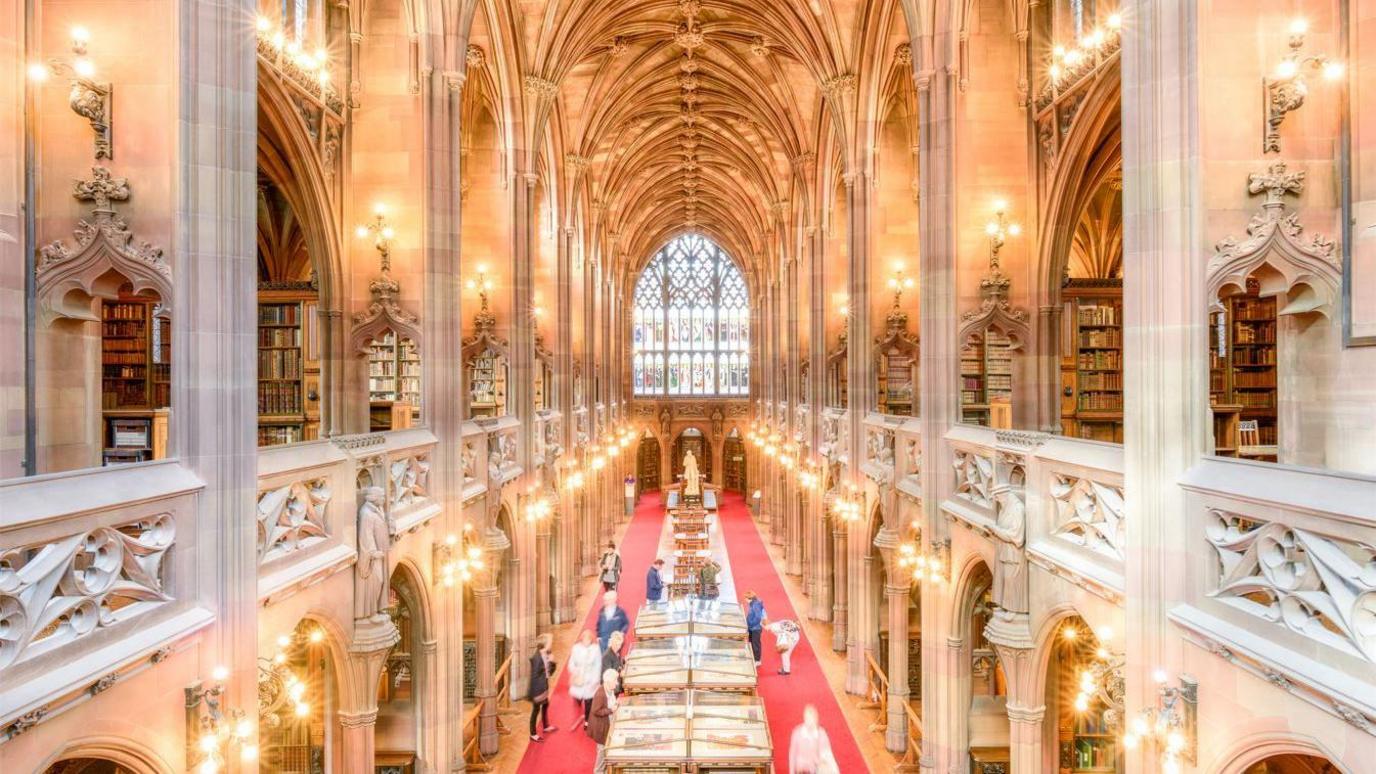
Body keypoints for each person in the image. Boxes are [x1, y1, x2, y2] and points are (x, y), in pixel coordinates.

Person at [587, 668, 620, 774]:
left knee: (605, 752)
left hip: (607, 725)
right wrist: (611, 710)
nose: (617, 682)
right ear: (608, 681)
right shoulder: (600, 694)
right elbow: (595, 711)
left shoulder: (609, 689)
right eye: (615, 680)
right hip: (601, 730)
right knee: (601, 754)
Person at [788, 704, 837, 774]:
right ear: (804, 719)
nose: (809, 722)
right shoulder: (797, 733)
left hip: (816, 769)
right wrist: (791, 772)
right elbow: (792, 754)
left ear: (816, 720)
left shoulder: (821, 733)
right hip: (801, 770)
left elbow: (827, 753)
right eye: (807, 719)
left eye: (811, 719)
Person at [567, 629, 602, 728]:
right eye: (584, 639)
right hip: (578, 677)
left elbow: (598, 665)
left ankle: (587, 721)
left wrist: (595, 679)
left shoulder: (595, 649)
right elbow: (571, 662)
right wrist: (575, 670)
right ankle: (578, 701)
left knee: (588, 701)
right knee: (579, 697)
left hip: (590, 678)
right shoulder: (576, 648)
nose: (586, 641)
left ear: (591, 640)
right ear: (581, 639)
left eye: (588, 639)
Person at [527, 633, 558, 742]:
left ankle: (545, 726)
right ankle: (533, 734)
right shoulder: (536, 658)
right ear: (544, 644)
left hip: (543, 687)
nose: (551, 643)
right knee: (535, 710)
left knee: (545, 705)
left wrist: (552, 662)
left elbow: (550, 673)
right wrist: (537, 694)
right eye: (550, 642)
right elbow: (535, 677)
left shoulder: (546, 653)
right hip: (537, 690)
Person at [745, 590, 767, 667]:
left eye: (746, 598)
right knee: (751, 642)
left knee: (755, 644)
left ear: (749, 598)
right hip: (752, 628)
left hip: (755, 628)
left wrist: (750, 624)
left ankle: (757, 660)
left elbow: (757, 617)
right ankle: (753, 657)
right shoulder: (753, 603)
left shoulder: (755, 605)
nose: (745, 600)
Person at [601, 630, 626, 695]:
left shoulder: (616, 651)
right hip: (612, 689)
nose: (618, 647)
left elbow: (617, 663)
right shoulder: (606, 656)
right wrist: (620, 674)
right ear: (611, 643)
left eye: (620, 644)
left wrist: (624, 660)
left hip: (618, 684)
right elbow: (608, 676)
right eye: (616, 644)